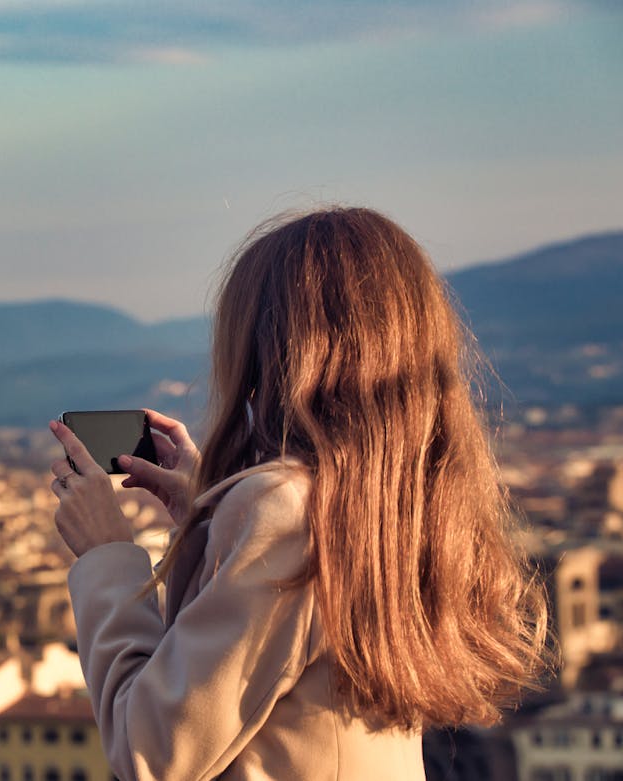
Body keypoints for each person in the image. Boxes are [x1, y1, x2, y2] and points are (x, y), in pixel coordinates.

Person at [48, 207, 549, 780]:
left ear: (269, 346)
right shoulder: (394, 505)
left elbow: (154, 752)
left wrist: (107, 555)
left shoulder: (286, 509)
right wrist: (207, 519)